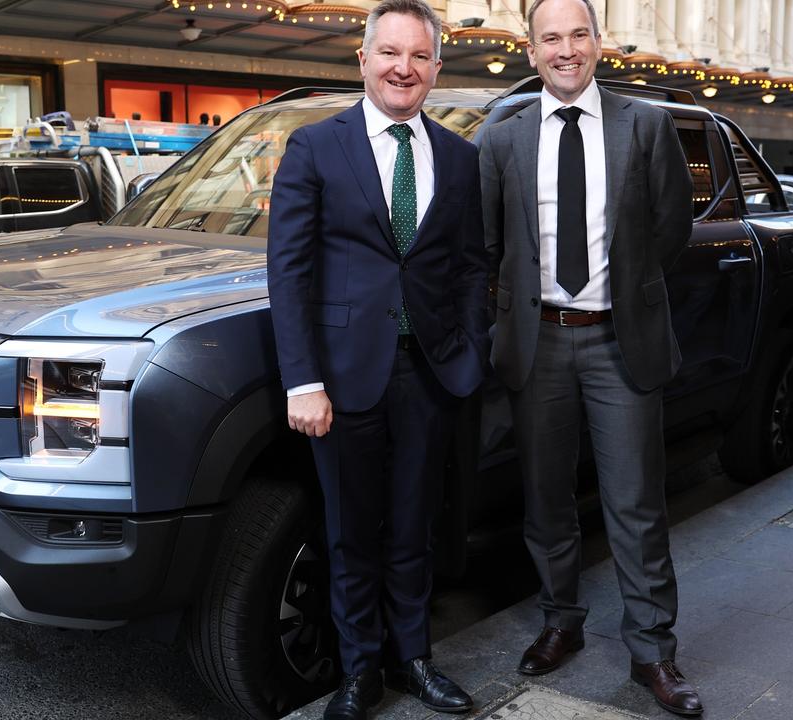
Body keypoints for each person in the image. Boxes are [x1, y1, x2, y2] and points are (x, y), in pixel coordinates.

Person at [478, 0, 702, 716]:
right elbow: (487, 246)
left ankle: (653, 656)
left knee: (635, 505)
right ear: (530, 48)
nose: (566, 49)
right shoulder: (502, 137)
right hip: (536, 342)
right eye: (552, 38)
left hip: (619, 340)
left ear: (599, 44)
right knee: (546, 502)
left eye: (579, 34)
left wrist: (625, 295)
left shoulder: (646, 125)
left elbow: (672, 229)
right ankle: (560, 623)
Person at [266, 0, 489, 717]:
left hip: (429, 373)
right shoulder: (314, 147)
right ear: (362, 60)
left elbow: (471, 266)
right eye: (390, 53)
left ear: (435, 69)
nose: (404, 68)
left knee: (416, 525)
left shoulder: (459, 157)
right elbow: (289, 272)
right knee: (350, 533)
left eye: (419, 56)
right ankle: (359, 671)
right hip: (339, 379)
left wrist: (469, 349)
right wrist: (303, 379)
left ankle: (413, 659)